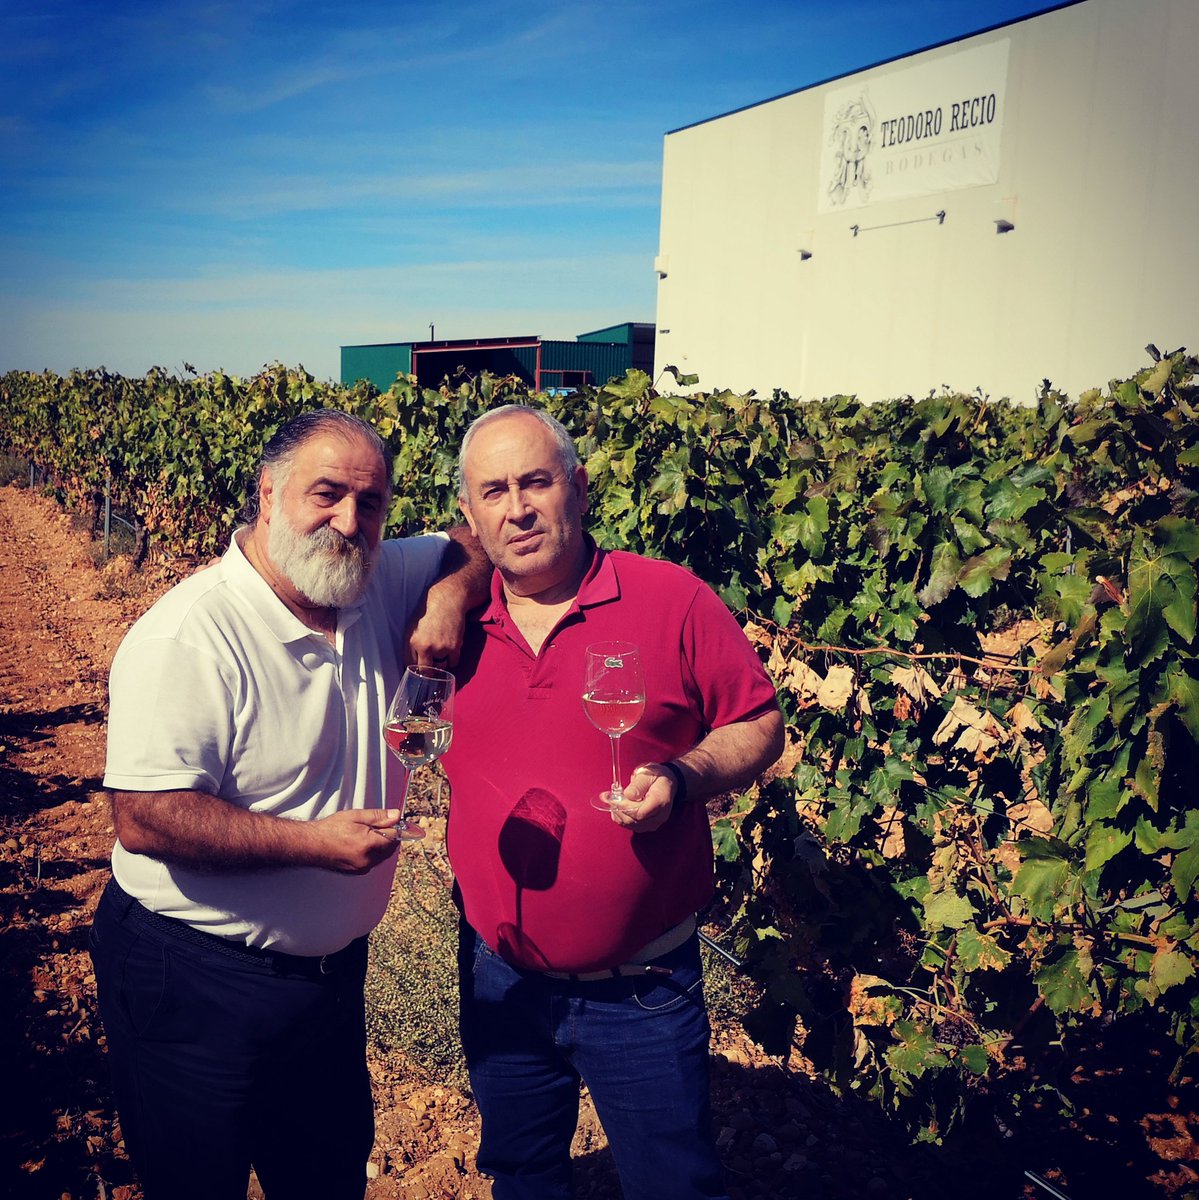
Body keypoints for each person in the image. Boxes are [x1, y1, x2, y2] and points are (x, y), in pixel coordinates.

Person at [88, 409, 485, 1200]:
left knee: (324, 1178)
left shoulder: (371, 578)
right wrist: (314, 845)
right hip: (193, 978)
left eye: (370, 503)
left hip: (328, 984)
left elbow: (468, 544)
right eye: (326, 494)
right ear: (268, 494)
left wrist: (446, 600)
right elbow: (146, 816)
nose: (350, 521)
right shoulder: (189, 637)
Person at [444, 405, 785, 1200]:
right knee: (522, 1175)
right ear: (469, 514)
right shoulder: (450, 621)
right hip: (499, 975)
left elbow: (757, 722)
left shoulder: (669, 598)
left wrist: (682, 776)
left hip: (641, 988)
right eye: (493, 491)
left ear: (580, 486)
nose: (516, 509)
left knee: (672, 1185)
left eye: (535, 482)